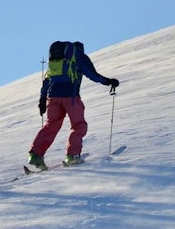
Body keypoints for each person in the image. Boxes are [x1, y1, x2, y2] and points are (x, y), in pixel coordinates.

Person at [28, 41, 118, 169]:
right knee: (79, 126)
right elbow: (92, 74)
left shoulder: (58, 61)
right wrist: (108, 81)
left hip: (52, 98)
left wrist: (42, 100)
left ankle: (35, 154)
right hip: (70, 97)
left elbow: (47, 80)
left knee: (51, 126)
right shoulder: (80, 57)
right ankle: (73, 156)